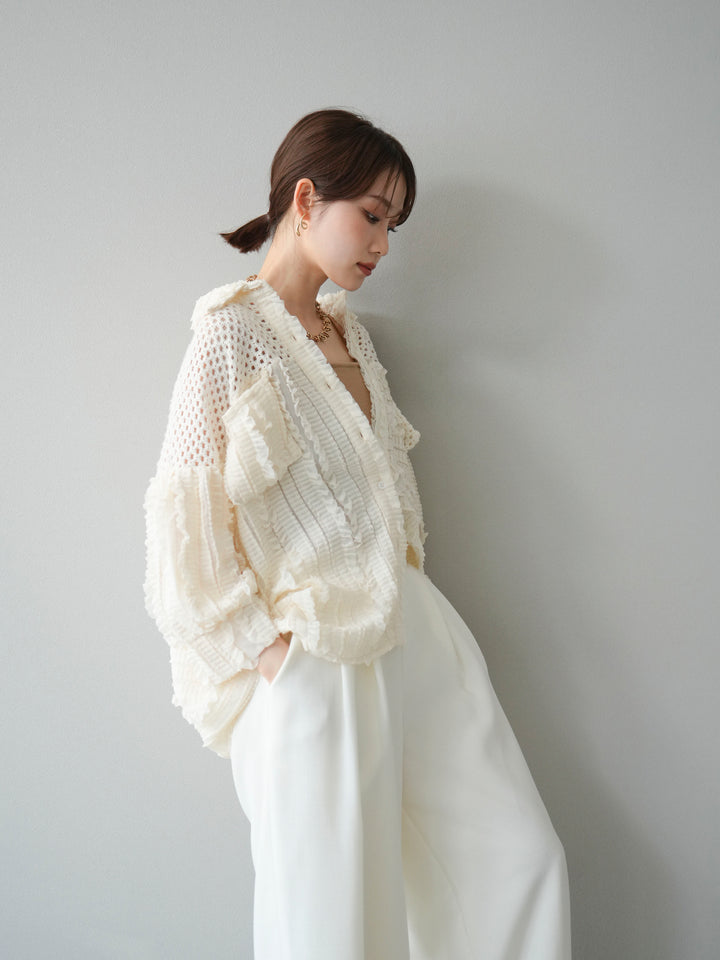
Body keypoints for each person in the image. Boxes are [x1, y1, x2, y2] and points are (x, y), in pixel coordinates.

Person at [144, 109, 571, 960]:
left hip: (415, 634)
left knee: (517, 859)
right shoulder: (228, 333)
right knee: (332, 918)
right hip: (314, 659)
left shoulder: (353, 336)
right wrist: (272, 657)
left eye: (393, 225)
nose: (382, 244)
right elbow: (183, 528)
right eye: (372, 215)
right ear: (306, 199)